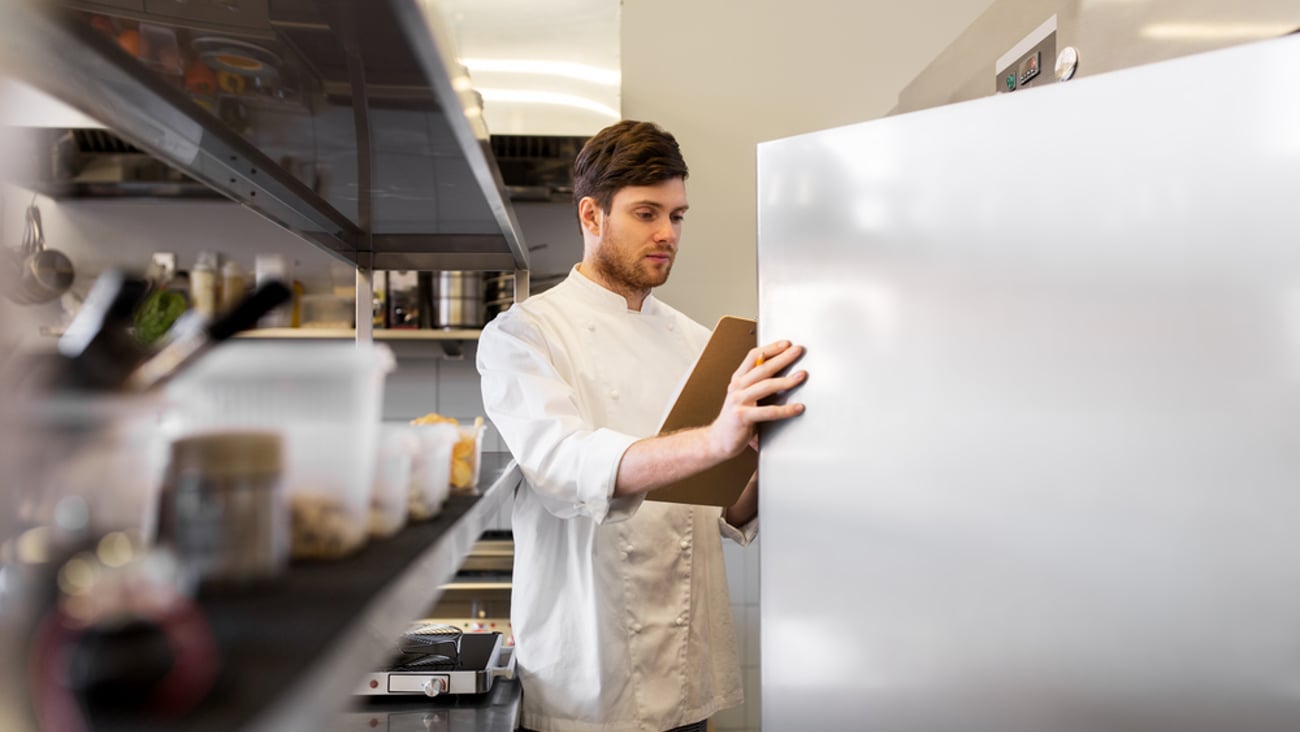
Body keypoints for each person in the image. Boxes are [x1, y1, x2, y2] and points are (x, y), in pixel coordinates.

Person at [476, 119, 807, 732]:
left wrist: (764, 458)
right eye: (646, 213)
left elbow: (723, 511)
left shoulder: (697, 341)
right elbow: (563, 465)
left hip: (686, 685)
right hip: (587, 686)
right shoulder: (524, 335)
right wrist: (713, 439)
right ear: (592, 216)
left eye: (677, 216)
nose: (666, 234)